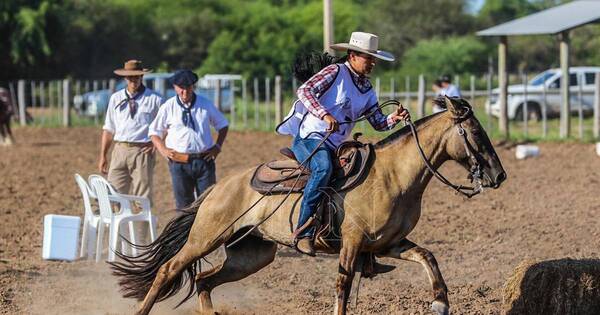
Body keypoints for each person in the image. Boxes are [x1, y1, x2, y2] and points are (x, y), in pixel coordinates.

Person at [277, 32, 410, 256]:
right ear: (353, 55)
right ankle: (303, 232)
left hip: (336, 146)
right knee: (323, 168)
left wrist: (393, 119)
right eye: (368, 57)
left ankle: (355, 241)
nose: (372, 62)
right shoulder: (335, 72)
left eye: (373, 58)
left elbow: (378, 123)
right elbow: (305, 90)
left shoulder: (366, 89)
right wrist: (324, 114)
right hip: (311, 138)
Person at [149, 70, 229, 210]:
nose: (184, 92)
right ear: (175, 87)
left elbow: (222, 125)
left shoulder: (205, 105)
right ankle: (186, 232)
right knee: (183, 206)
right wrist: (163, 150)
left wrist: (217, 147)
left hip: (204, 161)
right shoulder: (168, 107)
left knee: (208, 203)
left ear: (193, 87)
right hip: (179, 163)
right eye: (181, 88)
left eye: (188, 87)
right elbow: (154, 132)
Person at [99, 60, 162, 203]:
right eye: (130, 77)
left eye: (137, 76)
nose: (134, 80)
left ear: (142, 77)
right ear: (125, 78)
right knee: (114, 196)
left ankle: (142, 226)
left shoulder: (155, 99)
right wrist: (103, 155)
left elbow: (166, 125)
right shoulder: (116, 98)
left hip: (142, 152)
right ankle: (119, 225)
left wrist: (156, 144)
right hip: (119, 150)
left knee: (142, 200)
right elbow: (109, 129)